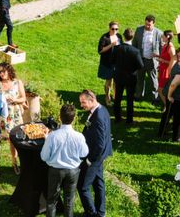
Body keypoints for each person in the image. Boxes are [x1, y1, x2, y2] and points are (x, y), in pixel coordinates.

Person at [40, 104, 89, 217]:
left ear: (59, 117)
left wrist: (47, 140)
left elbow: (44, 157)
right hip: (73, 171)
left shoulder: (52, 136)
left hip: (55, 171)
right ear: (74, 118)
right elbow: (84, 153)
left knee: (52, 200)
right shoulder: (79, 136)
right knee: (69, 201)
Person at [78, 89, 112, 217]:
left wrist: (89, 160)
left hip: (95, 156)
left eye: (83, 102)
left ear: (92, 100)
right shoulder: (101, 109)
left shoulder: (98, 117)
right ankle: (101, 212)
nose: (81, 105)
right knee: (98, 183)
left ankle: (91, 213)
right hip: (100, 155)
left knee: (83, 186)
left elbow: (100, 144)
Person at [0, 62, 26, 174]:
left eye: (3, 71)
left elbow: (23, 98)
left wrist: (14, 100)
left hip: (15, 115)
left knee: (14, 140)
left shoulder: (17, 83)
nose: (1, 74)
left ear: (9, 70)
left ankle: (14, 163)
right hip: (2, 116)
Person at [112, 28, 143, 124]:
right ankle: (129, 120)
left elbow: (112, 61)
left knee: (118, 98)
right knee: (130, 100)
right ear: (132, 37)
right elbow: (140, 65)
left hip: (119, 76)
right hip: (130, 77)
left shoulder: (117, 48)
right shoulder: (135, 51)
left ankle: (117, 118)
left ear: (124, 36)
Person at [132, 14, 163, 102]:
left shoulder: (159, 33)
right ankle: (138, 95)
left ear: (154, 24)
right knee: (140, 78)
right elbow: (134, 43)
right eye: (146, 24)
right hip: (141, 59)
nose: (147, 26)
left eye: (149, 25)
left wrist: (160, 59)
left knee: (153, 81)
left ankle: (155, 98)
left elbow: (162, 48)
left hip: (152, 61)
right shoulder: (139, 30)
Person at [98, 21, 122, 106]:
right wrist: (111, 45)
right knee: (108, 82)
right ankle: (107, 97)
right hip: (107, 63)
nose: (115, 30)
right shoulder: (105, 38)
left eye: (116, 29)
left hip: (117, 63)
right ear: (109, 28)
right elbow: (100, 50)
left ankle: (115, 97)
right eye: (113, 29)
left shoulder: (119, 36)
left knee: (116, 81)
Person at [157, 30, 176, 105]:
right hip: (162, 69)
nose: (162, 37)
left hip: (166, 71)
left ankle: (166, 105)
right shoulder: (165, 45)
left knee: (160, 90)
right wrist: (157, 56)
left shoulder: (171, 48)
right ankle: (166, 105)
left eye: (163, 36)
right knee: (161, 89)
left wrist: (163, 61)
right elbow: (165, 57)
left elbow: (174, 62)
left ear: (167, 37)